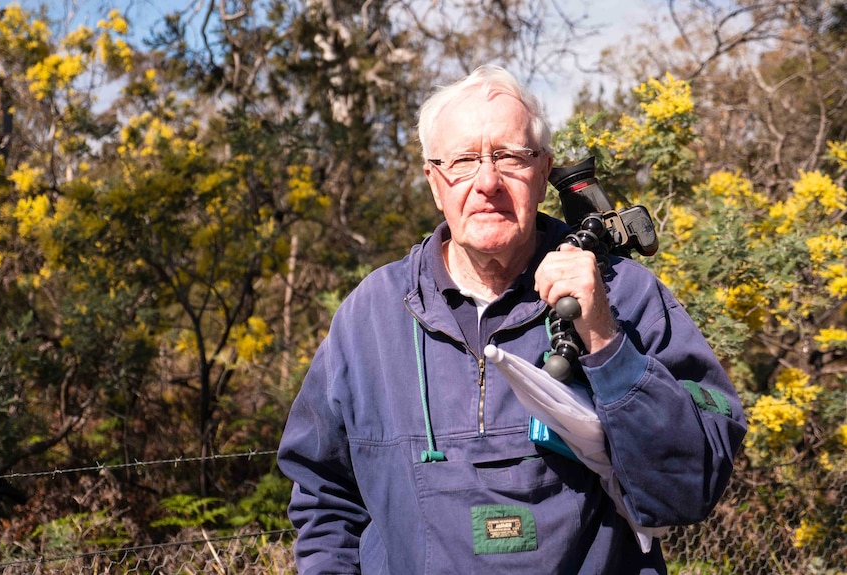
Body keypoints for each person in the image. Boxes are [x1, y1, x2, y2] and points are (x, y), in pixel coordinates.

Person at [277, 65, 746, 574]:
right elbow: (324, 502)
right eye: (462, 161)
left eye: (508, 157)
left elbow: (689, 490)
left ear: (544, 172)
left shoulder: (623, 293)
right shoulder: (371, 316)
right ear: (435, 181)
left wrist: (606, 343)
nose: (486, 182)